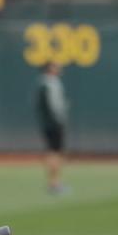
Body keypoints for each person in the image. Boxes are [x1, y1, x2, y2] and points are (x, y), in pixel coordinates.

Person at [36, 61, 70, 194]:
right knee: (55, 153)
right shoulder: (49, 84)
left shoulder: (45, 83)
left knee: (53, 152)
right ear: (50, 69)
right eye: (56, 66)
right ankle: (54, 183)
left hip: (49, 123)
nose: (59, 68)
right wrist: (59, 120)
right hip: (54, 124)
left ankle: (54, 182)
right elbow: (54, 107)